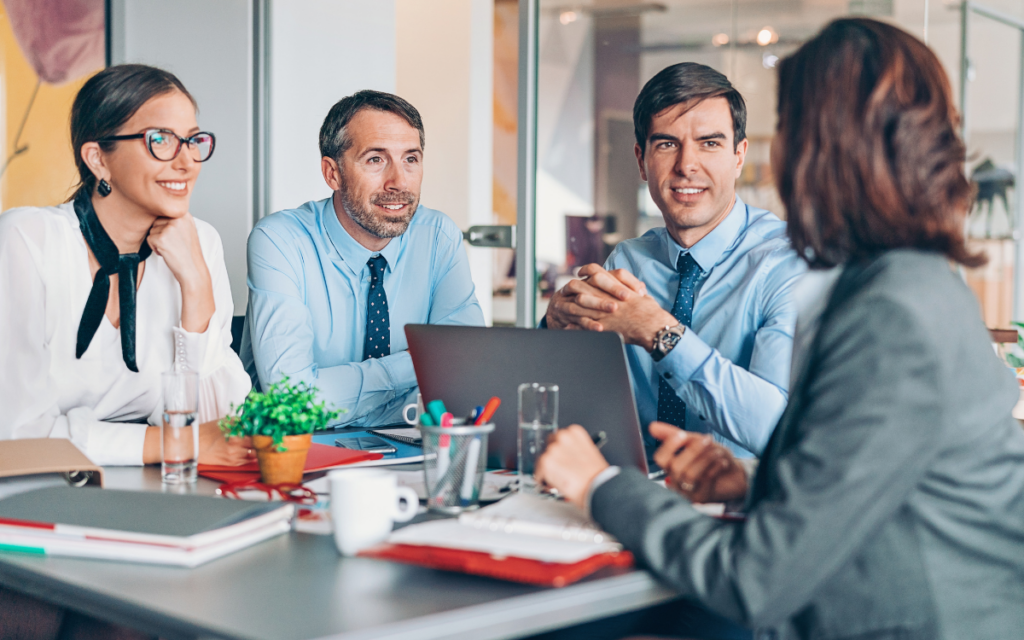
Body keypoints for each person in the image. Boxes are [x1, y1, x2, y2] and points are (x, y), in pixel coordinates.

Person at [536, 18, 1024, 640]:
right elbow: (864, 472)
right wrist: (749, 480)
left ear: (832, 147)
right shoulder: (898, 283)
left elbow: (754, 579)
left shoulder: (892, 313)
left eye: (789, 130)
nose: (779, 153)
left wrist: (600, 485)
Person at [544, 63, 804, 459]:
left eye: (710, 143)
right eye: (667, 144)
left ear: (739, 155)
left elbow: (776, 429)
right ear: (640, 160)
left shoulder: (788, 264)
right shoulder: (628, 261)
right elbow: (578, 401)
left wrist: (659, 331)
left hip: (735, 500)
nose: (687, 165)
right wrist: (554, 329)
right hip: (631, 487)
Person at [0, 64, 253, 468]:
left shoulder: (199, 241)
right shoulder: (27, 240)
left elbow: (220, 427)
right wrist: (167, 444)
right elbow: (18, 435)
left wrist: (196, 285)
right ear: (98, 158)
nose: (187, 161)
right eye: (161, 140)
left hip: (161, 490)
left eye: (192, 141)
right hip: (35, 493)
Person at [241, 91, 483, 425]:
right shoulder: (281, 241)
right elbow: (292, 403)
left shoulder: (438, 237)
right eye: (375, 160)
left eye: (410, 159)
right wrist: (420, 364)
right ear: (332, 173)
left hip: (413, 453)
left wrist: (334, 393)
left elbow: (467, 380)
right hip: (299, 455)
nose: (398, 182)